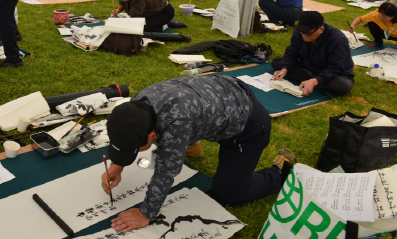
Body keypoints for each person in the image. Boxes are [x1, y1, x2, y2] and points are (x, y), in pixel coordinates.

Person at [102, 76, 294, 233]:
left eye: (135, 149)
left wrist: (146, 213)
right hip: (220, 94)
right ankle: (191, 144)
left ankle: (279, 171)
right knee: (175, 132)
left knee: (229, 195)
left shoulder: (177, 122)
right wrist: (117, 164)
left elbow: (166, 171)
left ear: (151, 136)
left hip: (247, 127)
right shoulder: (136, 106)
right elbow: (130, 134)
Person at [271, 11, 355, 96]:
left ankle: (312, 81)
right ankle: (312, 82)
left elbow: (336, 67)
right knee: (277, 62)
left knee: (340, 86)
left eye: (308, 33)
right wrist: (285, 69)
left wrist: (316, 80)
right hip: (309, 68)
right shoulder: (299, 32)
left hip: (334, 74)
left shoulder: (337, 39)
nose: (303, 35)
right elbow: (292, 52)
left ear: (321, 29)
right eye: (301, 32)